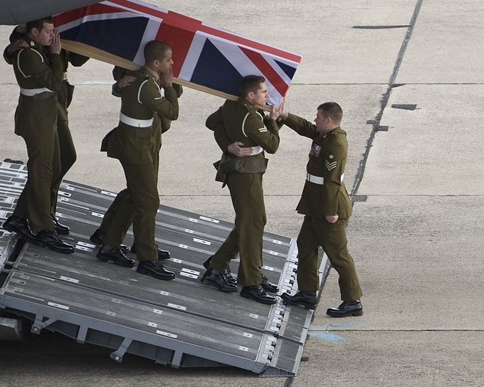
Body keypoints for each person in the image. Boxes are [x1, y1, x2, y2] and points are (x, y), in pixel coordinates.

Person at [94, 40, 179, 280]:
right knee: (149, 202)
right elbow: (172, 112)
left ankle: (111, 244)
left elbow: (122, 88)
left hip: (142, 141)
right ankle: (146, 258)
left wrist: (117, 87)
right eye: (169, 60)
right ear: (156, 63)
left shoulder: (142, 78)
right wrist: (170, 87)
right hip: (135, 146)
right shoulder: (147, 86)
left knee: (136, 195)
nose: (172, 63)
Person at [199, 75, 281, 305]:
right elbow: (272, 145)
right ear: (251, 95)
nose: (267, 95)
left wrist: (227, 145)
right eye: (263, 92)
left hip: (243, 172)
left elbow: (211, 123)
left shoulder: (230, 105)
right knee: (252, 224)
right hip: (246, 174)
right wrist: (273, 121)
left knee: (252, 221)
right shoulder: (252, 117)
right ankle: (251, 282)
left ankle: (218, 266)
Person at [278, 102, 364, 317]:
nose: (315, 120)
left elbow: (332, 180)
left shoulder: (335, 144)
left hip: (328, 208)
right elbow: (307, 128)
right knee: (305, 246)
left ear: (328, 120)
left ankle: (352, 300)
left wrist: (331, 211)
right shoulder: (325, 135)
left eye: (318, 117)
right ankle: (307, 292)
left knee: (338, 255)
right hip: (315, 206)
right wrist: (285, 115)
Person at [3, 25, 89, 238]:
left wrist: (91, 39)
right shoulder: (39, 26)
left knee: (63, 158)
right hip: (44, 100)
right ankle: (41, 221)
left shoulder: (74, 23)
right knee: (46, 166)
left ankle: (31, 214)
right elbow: (14, 48)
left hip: (56, 100)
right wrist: (52, 53)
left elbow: (77, 59)